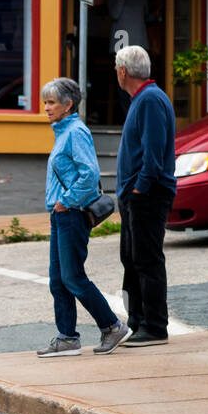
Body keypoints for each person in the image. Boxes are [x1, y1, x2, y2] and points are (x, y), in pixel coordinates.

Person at [37, 77, 132, 357]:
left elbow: (90, 174)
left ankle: (112, 327)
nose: (46, 107)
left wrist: (65, 203)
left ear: (68, 105)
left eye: (51, 102)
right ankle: (67, 338)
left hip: (72, 214)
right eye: (45, 102)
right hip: (61, 215)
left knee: (73, 277)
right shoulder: (63, 131)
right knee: (58, 279)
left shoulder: (76, 132)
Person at [114, 46, 178, 346]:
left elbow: (153, 152)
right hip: (136, 194)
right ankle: (137, 321)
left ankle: (154, 326)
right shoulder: (144, 99)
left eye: (117, 68)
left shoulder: (150, 100)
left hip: (147, 194)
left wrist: (140, 187)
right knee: (132, 258)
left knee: (147, 259)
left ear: (123, 71)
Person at [104, 0, 150, 118]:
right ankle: (128, 116)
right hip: (120, 43)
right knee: (123, 82)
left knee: (140, 80)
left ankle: (140, 114)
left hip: (139, 43)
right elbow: (115, 14)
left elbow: (146, 16)